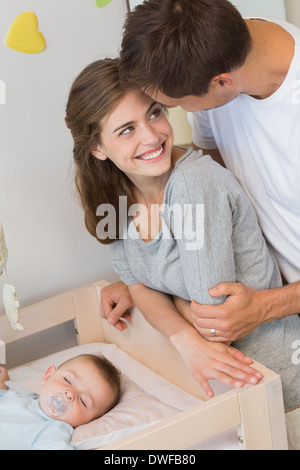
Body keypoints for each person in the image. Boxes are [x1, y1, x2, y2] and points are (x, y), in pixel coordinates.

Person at [65, 58, 300, 411]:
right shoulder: (113, 198)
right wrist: (179, 333)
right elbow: (136, 285)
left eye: (155, 113)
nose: (151, 135)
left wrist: (175, 317)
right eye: (126, 129)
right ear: (98, 148)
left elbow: (216, 320)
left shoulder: (192, 183)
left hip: (277, 382)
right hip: (222, 387)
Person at [101, 0, 300, 348]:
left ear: (222, 82)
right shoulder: (221, 45)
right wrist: (152, 279)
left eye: (169, 108)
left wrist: (265, 306)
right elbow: (221, 196)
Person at [0, 354, 121, 450]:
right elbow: (5, 398)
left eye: (83, 401)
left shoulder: (54, 431)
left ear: (89, 421)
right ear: (48, 376)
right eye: (67, 380)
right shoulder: (24, 396)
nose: (70, 394)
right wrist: (3, 383)